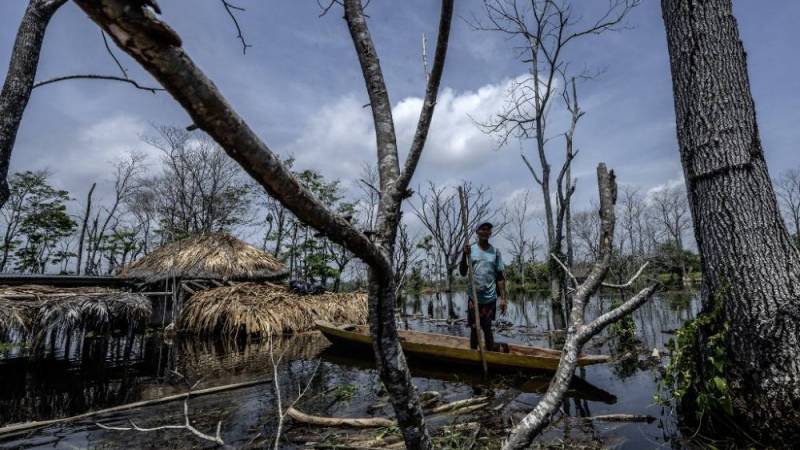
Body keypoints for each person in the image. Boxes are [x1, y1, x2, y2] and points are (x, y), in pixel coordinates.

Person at [459, 221, 506, 351]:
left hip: (490, 298)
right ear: (477, 232)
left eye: (488, 230)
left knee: (487, 328)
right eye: (483, 229)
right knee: (475, 328)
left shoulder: (495, 252)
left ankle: (490, 355)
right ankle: (474, 355)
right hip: (474, 298)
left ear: (490, 233)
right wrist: (464, 254)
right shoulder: (470, 250)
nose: (486, 232)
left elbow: (500, 277)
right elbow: (463, 272)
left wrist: (503, 299)